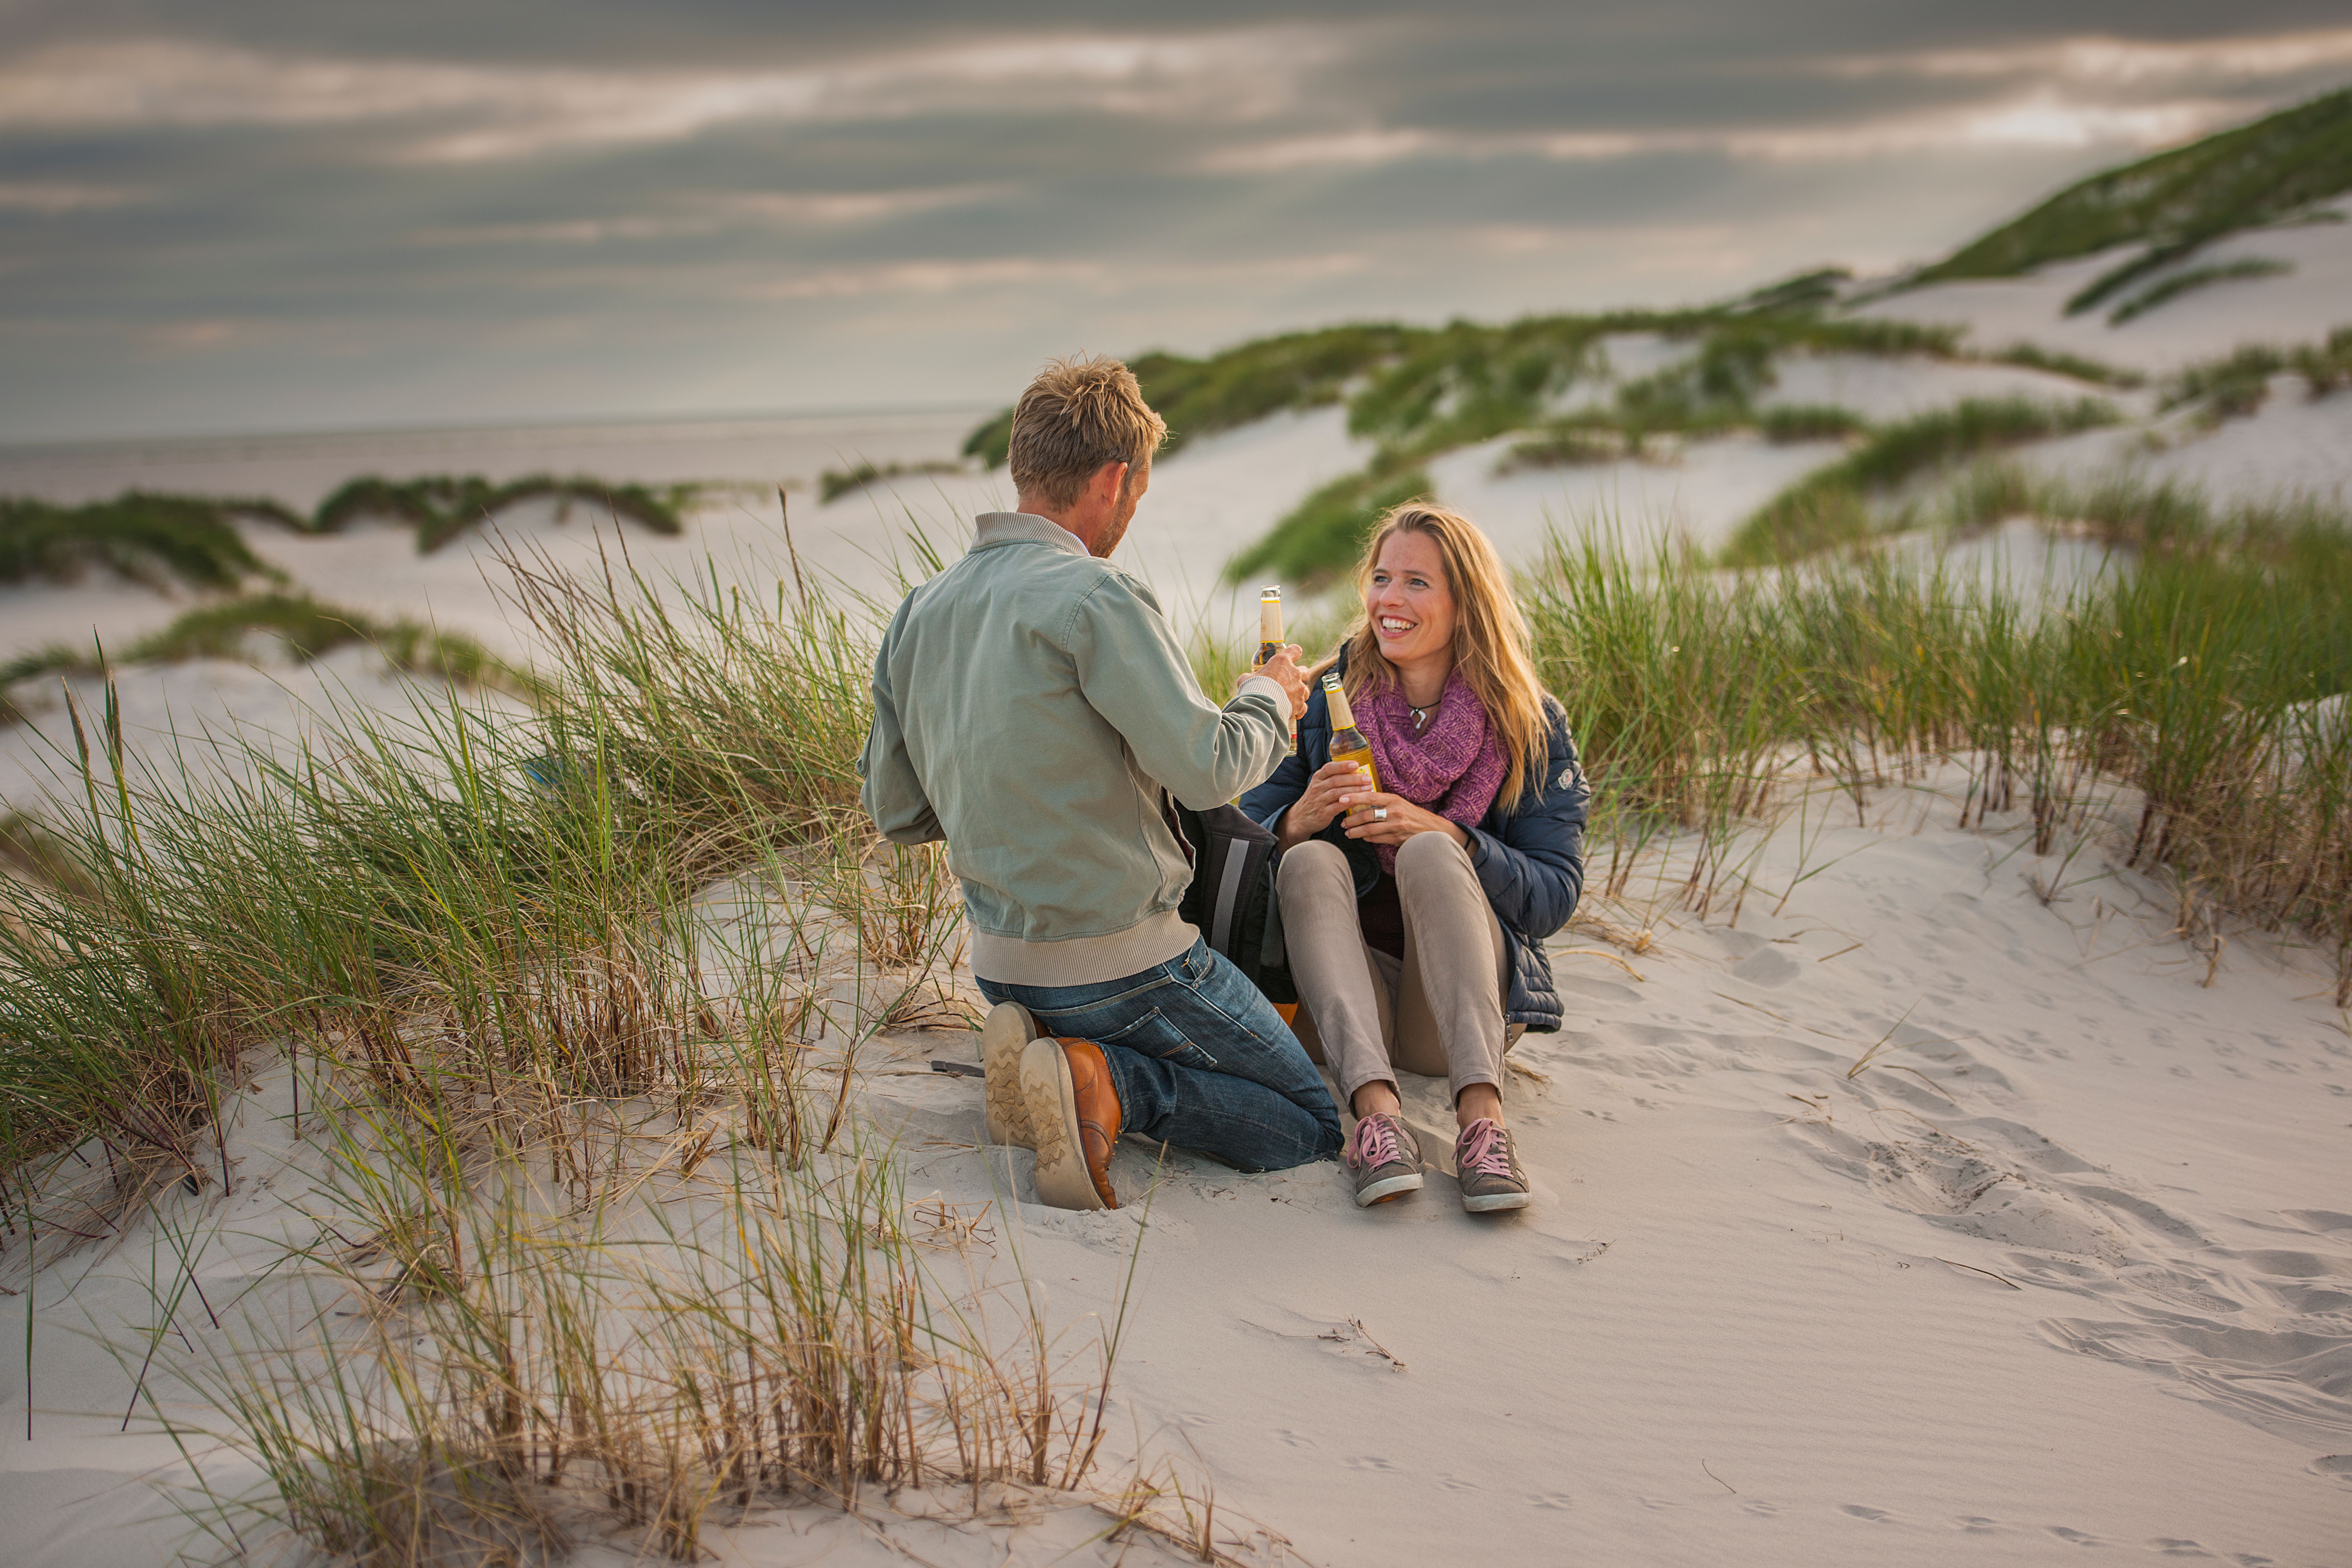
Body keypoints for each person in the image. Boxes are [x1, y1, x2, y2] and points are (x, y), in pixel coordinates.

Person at [859, 356, 1342, 1211]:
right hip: (1126, 966)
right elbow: (1210, 768)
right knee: (1308, 1120)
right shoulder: (1094, 593)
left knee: (1135, 1026)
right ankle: (1106, 1081)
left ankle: (1041, 1044)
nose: (1131, 515)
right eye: (1139, 494)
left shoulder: (920, 608)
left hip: (1003, 963)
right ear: (1116, 479)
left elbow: (897, 813)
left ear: (1025, 465)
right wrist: (1271, 695)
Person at [1238, 503, 1589, 1213]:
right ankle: (1375, 1120)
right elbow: (1237, 831)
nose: (1389, 601)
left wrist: (1449, 834)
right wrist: (1294, 821)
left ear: (1467, 603)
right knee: (1307, 863)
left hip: (1453, 1014)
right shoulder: (1322, 701)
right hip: (1340, 1005)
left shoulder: (1528, 719)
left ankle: (1484, 1127)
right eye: (1380, 578)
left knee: (1431, 851)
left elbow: (1554, 895)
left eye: (1417, 584)